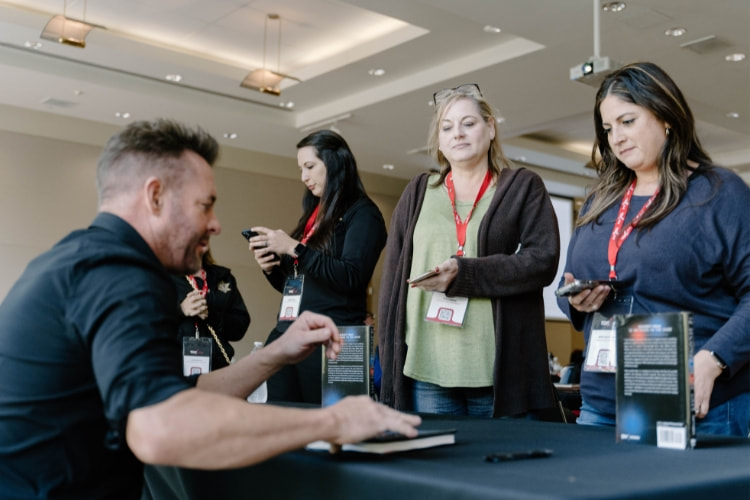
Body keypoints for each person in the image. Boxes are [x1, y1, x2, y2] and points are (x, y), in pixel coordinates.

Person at [0, 119, 421, 499]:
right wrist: (332, 423)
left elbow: (177, 398)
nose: (216, 224)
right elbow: (162, 429)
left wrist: (275, 353)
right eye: (206, 205)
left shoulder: (80, 259)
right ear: (155, 197)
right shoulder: (120, 275)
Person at [556, 62, 750, 437]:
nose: (616, 138)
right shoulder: (599, 199)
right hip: (602, 406)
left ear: (666, 117)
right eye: (608, 128)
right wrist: (575, 300)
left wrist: (715, 358)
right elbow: (567, 292)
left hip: (695, 403)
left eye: (628, 121)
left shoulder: (719, 192)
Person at [378, 84, 561, 418]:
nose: (457, 134)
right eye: (447, 127)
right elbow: (392, 284)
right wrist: (387, 361)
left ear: (490, 128)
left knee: (500, 470)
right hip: (426, 369)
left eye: (468, 123)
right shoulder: (418, 192)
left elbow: (542, 261)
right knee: (438, 469)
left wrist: (467, 273)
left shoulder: (521, 187)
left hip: (496, 371)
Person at [247, 129, 387, 404]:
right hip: (289, 334)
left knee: (338, 431)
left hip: (337, 338)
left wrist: (294, 248)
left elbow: (352, 277)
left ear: (334, 164)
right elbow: (300, 285)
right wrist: (272, 269)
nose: (304, 177)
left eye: (310, 167)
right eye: (301, 169)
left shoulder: (363, 214)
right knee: (283, 421)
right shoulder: (314, 216)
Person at [174, 248, 250, 371]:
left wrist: (213, 315)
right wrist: (181, 309)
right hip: (174, 369)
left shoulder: (224, 277)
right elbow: (147, 321)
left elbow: (240, 328)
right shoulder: (162, 276)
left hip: (217, 370)